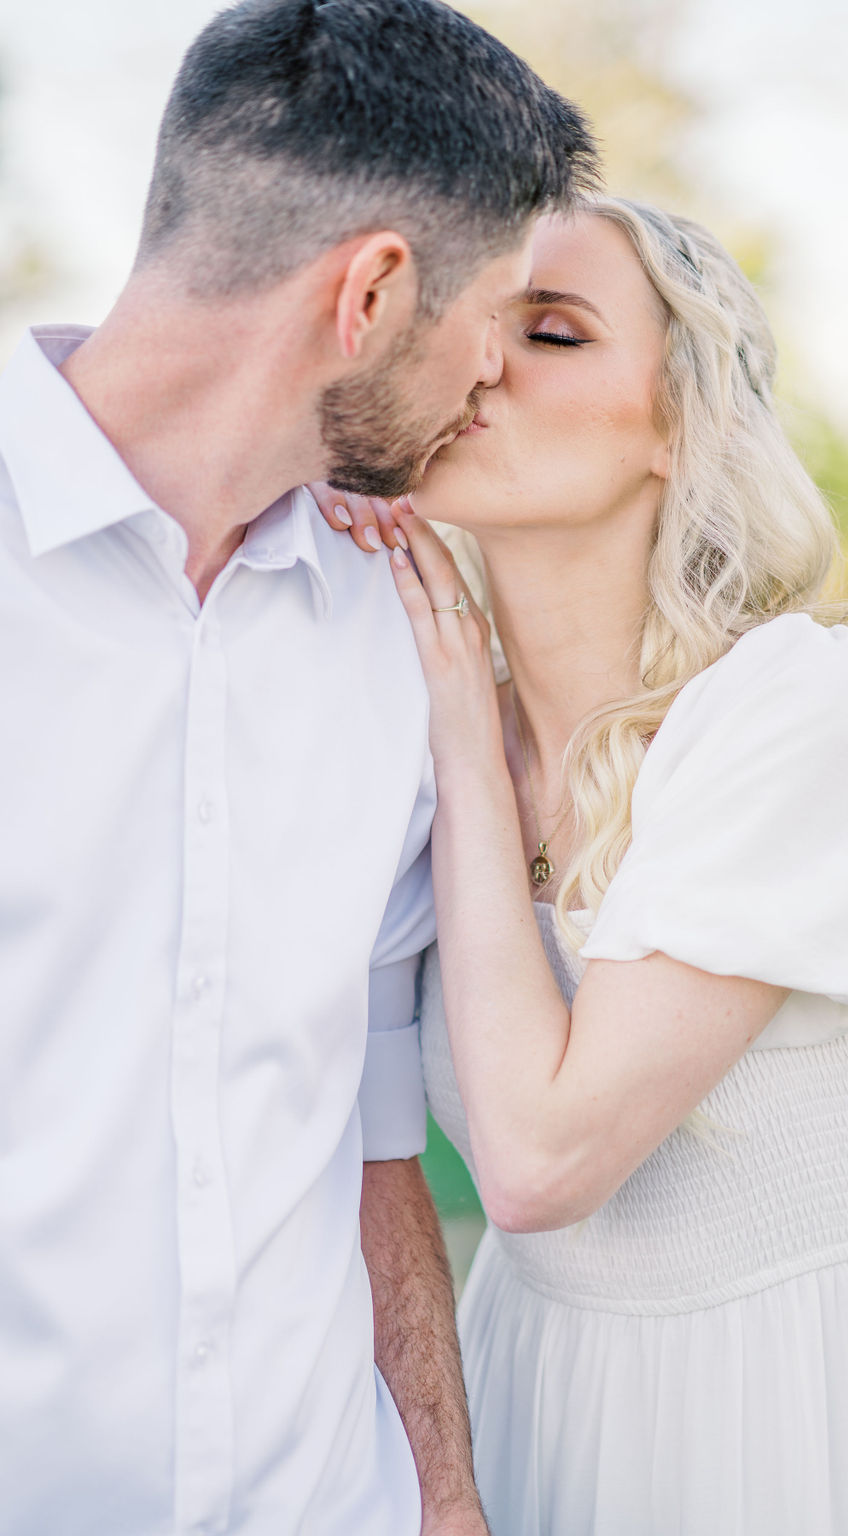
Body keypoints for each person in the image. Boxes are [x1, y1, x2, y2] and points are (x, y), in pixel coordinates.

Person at [0, 3, 598, 1533]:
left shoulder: (393, 637)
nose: (493, 381)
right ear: (376, 289)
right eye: (500, 319)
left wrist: (447, 1498)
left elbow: (372, 1142)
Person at [319, 198, 848, 1534]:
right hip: (518, 1401)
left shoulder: (800, 712)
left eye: (552, 332)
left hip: (755, 1434)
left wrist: (458, 740)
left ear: (681, 428)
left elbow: (542, 1163)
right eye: (473, 322)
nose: (483, 362)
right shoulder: (426, 721)